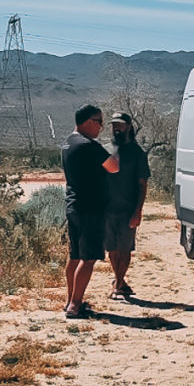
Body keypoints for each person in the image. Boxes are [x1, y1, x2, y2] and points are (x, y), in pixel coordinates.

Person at [61, 104, 109, 318]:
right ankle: (75, 305)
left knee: (74, 256)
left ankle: (70, 299)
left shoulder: (68, 143)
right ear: (88, 121)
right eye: (99, 121)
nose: (102, 126)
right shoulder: (90, 146)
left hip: (73, 205)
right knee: (88, 258)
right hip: (91, 208)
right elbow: (114, 166)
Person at [103, 111, 150, 299]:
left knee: (125, 248)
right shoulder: (104, 150)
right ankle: (119, 281)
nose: (116, 128)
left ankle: (118, 285)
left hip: (128, 209)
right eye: (114, 124)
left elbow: (142, 184)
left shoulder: (137, 153)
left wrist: (138, 210)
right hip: (106, 209)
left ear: (129, 126)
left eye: (120, 124)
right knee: (111, 249)